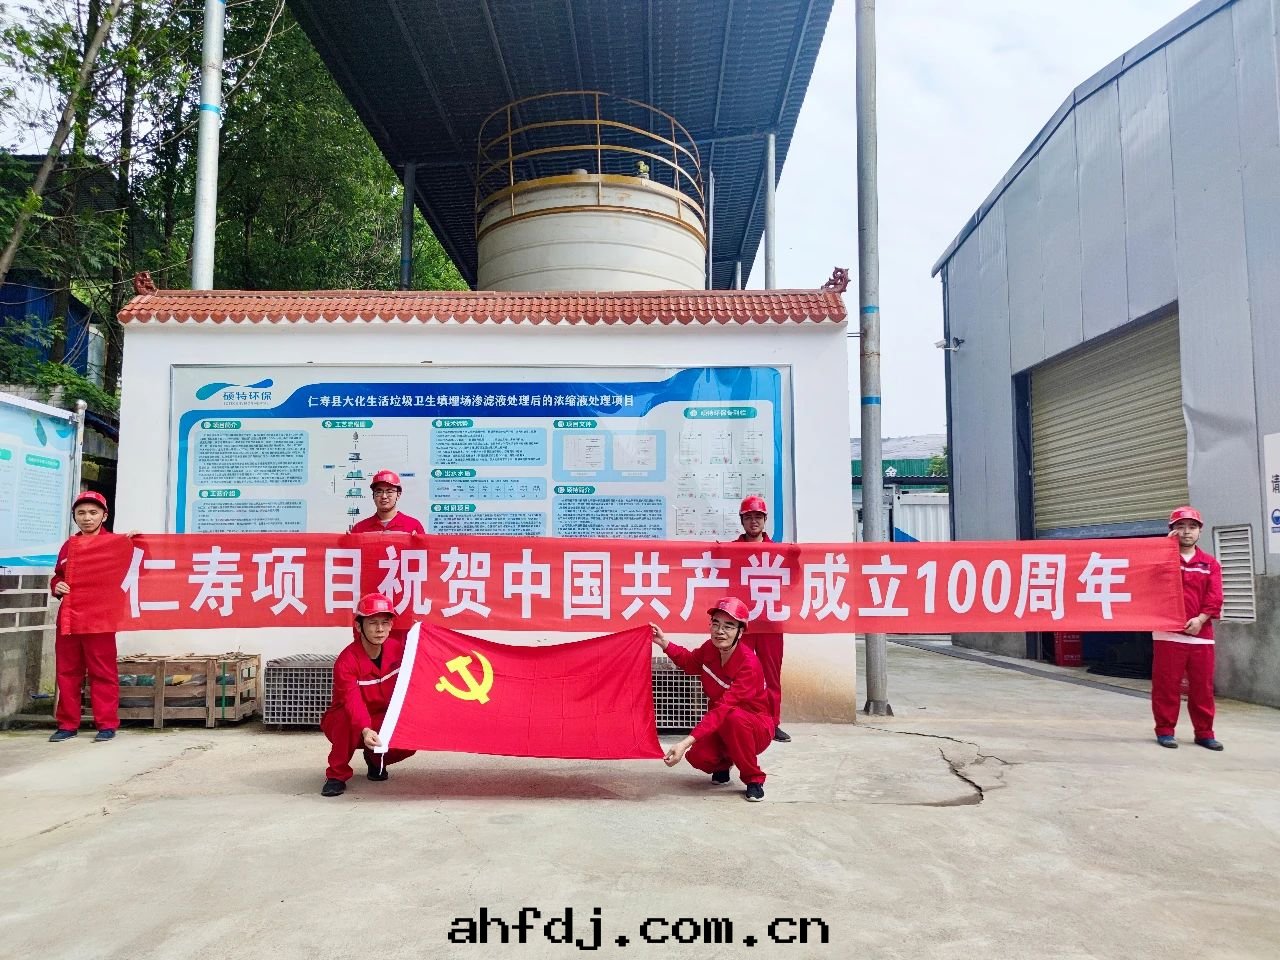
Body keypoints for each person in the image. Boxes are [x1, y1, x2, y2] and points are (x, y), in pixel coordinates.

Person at [650, 597, 773, 802]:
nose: (719, 631)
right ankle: (724, 764)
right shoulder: (710, 648)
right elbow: (690, 662)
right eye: (715, 624)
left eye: (728, 626)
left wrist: (684, 742)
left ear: (740, 632)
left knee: (733, 717)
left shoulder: (748, 665)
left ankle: (753, 778)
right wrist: (663, 642)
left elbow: (723, 708)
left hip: (755, 727)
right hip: (723, 722)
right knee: (699, 757)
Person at [320, 592, 416, 796]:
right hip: (347, 719)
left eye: (385, 622)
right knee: (345, 719)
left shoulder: (399, 650)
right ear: (358, 626)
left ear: (391, 625)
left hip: (381, 716)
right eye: (372, 623)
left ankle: (375, 758)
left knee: (411, 734)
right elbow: (351, 701)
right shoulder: (346, 662)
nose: (380, 629)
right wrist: (365, 729)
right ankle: (336, 774)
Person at [48, 491, 121, 743]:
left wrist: (136, 542)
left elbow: (139, 567)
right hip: (69, 618)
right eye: (81, 513)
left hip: (100, 619)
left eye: (93, 512)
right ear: (74, 517)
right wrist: (56, 586)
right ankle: (67, 724)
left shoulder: (115, 543)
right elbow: (58, 575)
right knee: (67, 672)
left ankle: (107, 724)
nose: (87, 518)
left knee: (103, 672)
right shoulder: (69, 545)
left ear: (104, 516)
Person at [1152, 506, 1224, 751]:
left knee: (1202, 687)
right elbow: (1152, 581)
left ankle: (1204, 733)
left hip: (1200, 636)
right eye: (1180, 527)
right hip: (1168, 634)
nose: (1186, 532)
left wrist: (1201, 620)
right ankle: (1165, 730)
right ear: (1172, 530)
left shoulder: (1209, 564)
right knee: (1166, 685)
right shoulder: (1164, 560)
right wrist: (1165, 549)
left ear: (1200, 531)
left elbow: (1215, 597)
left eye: (1192, 527)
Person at [736, 494, 788, 742]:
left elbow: (795, 580)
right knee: (741, 673)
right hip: (742, 624)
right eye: (748, 517)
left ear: (765, 520)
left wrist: (798, 557)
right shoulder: (730, 552)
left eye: (758, 516)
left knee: (771, 675)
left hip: (770, 623)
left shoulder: (779, 551)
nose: (753, 521)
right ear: (742, 521)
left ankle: (772, 722)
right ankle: (741, 720)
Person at [349, 469, 424, 534]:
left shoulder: (413, 526)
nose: (384, 496)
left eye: (389, 491)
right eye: (379, 492)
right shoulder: (359, 529)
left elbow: (425, 546)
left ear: (398, 495)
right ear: (373, 495)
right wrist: (347, 541)